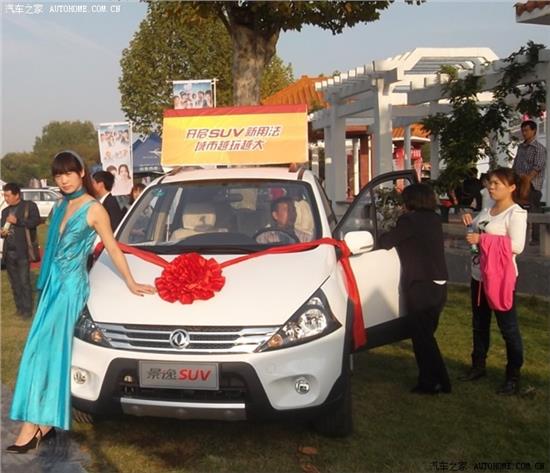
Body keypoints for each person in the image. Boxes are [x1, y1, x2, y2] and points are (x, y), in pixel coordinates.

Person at [7, 151, 156, 453]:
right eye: (58, 175)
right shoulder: (61, 205)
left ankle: (33, 425)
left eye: (68, 173)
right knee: (41, 351)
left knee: (46, 352)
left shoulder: (94, 209)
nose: (62, 180)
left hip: (70, 288)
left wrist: (131, 281)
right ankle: (43, 423)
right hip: (52, 286)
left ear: (82, 173)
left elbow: (112, 247)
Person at [460, 168, 527, 395]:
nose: (491, 187)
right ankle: (478, 365)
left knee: (508, 328)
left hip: (500, 279)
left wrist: (483, 239)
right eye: (490, 183)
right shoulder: (488, 209)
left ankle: (513, 376)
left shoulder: (515, 213)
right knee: (479, 324)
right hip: (479, 275)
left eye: (497, 183)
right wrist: (470, 223)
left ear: (511, 187)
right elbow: (476, 232)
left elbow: (517, 246)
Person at [379, 184, 451, 395]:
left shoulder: (410, 220)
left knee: (422, 338)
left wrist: (384, 230)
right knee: (426, 335)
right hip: (438, 282)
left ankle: (433, 382)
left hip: (421, 284)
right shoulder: (434, 218)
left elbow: (386, 242)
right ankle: (437, 381)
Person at [1, 183, 41, 318]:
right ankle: (19, 308)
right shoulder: (5, 211)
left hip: (23, 250)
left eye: (8, 195)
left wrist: (18, 221)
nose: (6, 198)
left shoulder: (29, 206)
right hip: (9, 251)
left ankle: (27, 310)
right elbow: (2, 227)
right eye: (4, 196)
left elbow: (35, 221)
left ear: (17, 195)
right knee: (14, 282)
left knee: (24, 281)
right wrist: (2, 232)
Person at [512, 120, 547, 243]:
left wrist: (526, 180)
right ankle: (519, 237)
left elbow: (538, 167)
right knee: (517, 211)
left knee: (534, 210)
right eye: (523, 131)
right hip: (518, 184)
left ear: (534, 131)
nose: (524, 133)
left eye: (527, 130)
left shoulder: (539, 148)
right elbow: (516, 164)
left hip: (532, 185)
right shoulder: (520, 147)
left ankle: (536, 238)